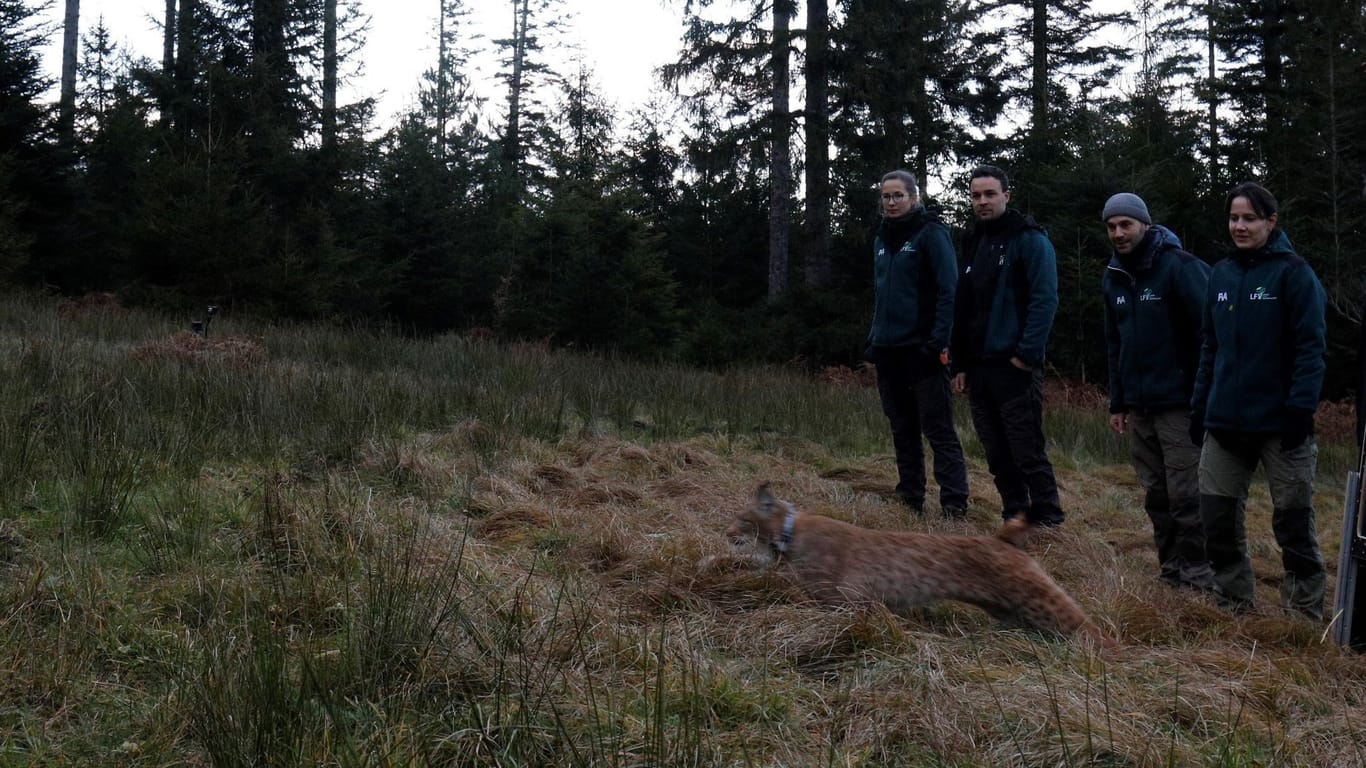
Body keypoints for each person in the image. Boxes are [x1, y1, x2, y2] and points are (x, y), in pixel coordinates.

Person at [1190, 181, 1328, 618]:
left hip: (1281, 425)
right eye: (1234, 218)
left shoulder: (1294, 273)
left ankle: (1302, 614)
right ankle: (1234, 602)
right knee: (1217, 519)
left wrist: (1299, 410)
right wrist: (1200, 407)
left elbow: (1311, 348)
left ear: (1271, 222)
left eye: (1250, 218)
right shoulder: (1221, 275)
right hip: (1225, 423)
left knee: (1292, 522)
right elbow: (1210, 347)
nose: (1240, 226)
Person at [1101, 192, 1216, 591]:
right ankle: (1171, 570)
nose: (1118, 233)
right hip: (1139, 405)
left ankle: (1199, 576)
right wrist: (1118, 401)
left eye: (1125, 225)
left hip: (1180, 404)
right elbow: (1114, 342)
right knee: (1156, 494)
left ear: (1144, 224)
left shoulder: (1178, 267)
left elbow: (1211, 332)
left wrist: (1203, 393)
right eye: (1112, 227)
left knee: (1187, 494)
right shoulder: (1113, 275)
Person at [949, 165, 1062, 527]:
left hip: (1013, 366)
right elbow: (963, 306)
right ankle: (1015, 514)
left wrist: (1026, 355)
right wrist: (960, 364)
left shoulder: (1029, 240)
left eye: (989, 194)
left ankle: (1048, 518)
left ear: (1006, 196)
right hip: (979, 367)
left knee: (1026, 448)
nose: (982, 201)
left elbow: (1045, 300)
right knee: (996, 451)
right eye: (976, 195)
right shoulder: (974, 240)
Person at [866, 170, 969, 518]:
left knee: (938, 430)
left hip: (923, 352)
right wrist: (874, 340)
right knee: (902, 428)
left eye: (898, 196)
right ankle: (910, 499)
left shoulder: (931, 234)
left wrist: (937, 342)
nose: (891, 202)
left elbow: (949, 291)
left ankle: (954, 504)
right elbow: (881, 295)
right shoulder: (881, 239)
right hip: (888, 352)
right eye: (886, 196)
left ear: (914, 197)